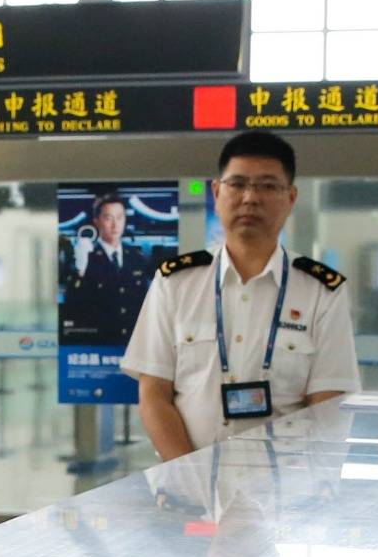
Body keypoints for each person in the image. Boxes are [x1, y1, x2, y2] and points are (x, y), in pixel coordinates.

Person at [123, 131, 359, 460]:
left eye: (267, 186)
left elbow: (327, 402)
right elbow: (153, 394)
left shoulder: (321, 290)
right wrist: (191, 478)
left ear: (290, 198)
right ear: (217, 192)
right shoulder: (175, 282)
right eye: (238, 184)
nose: (250, 197)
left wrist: (309, 491)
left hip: (285, 495)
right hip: (189, 493)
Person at [66, 191, 143, 342]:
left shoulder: (136, 257)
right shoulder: (86, 256)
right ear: (96, 221)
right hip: (99, 342)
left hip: (133, 343)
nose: (115, 225)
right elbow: (73, 303)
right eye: (108, 218)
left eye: (120, 218)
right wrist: (80, 270)